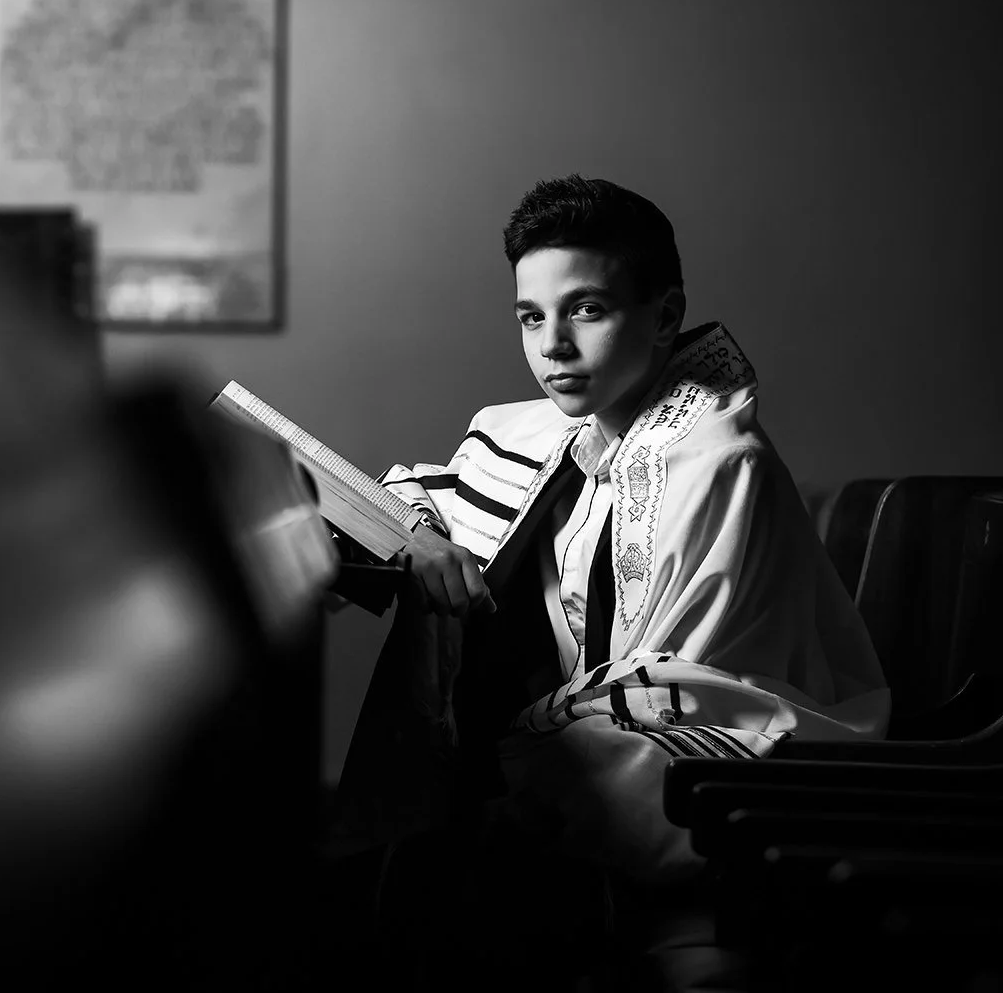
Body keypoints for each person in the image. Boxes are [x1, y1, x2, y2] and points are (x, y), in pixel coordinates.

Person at [327, 174, 890, 986]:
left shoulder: (715, 462)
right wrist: (418, 537)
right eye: (531, 316)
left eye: (586, 309)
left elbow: (684, 689)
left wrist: (517, 754)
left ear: (665, 316)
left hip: (725, 795)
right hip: (575, 765)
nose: (552, 344)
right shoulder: (544, 429)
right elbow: (411, 493)